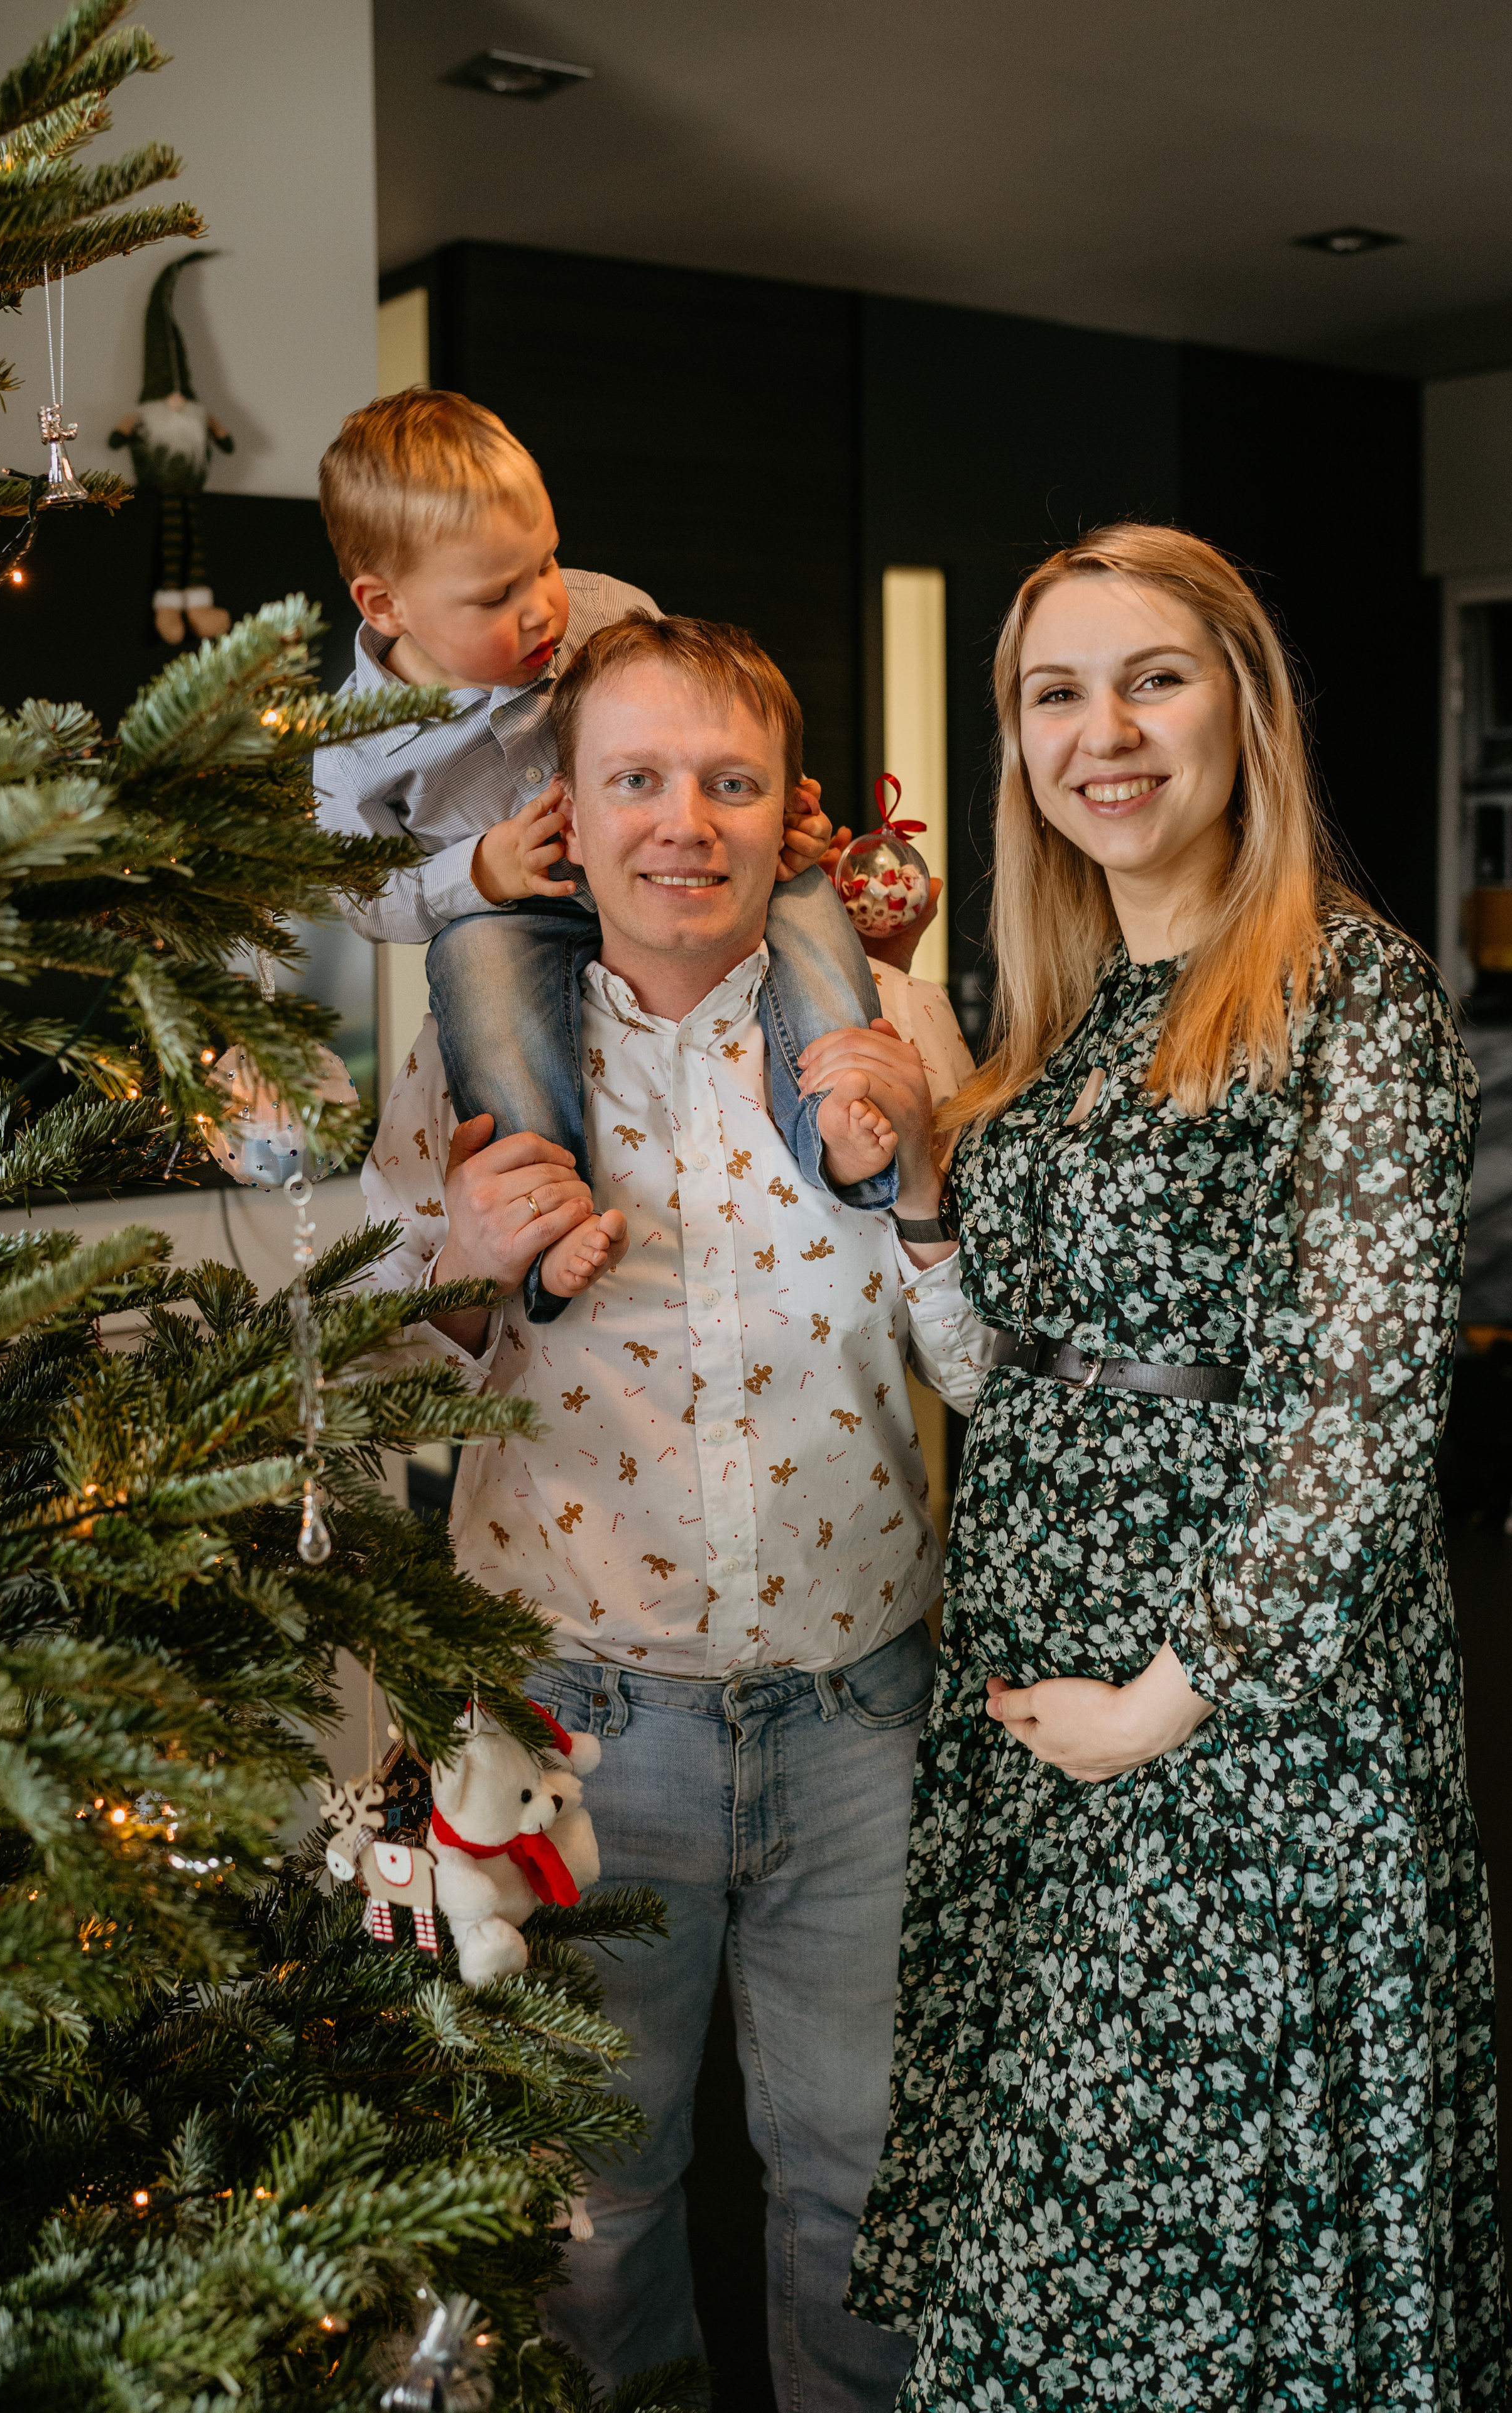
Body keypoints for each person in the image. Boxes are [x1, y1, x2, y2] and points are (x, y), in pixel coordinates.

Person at [848, 523, 1504, 2409]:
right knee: (1058, 2262)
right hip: (1041, 1722)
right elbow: (1006, 1376)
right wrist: (925, 1210)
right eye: (1057, 693)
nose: (1102, 733)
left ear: (1245, 707)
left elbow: (1371, 1408)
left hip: (1244, 1735)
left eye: (1154, 678)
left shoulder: (1347, 998)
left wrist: (1170, 1696)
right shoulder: (1055, 1015)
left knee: (1217, 2256)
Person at [362, 613, 989, 2410]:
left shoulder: (899, 1026)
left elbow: (991, 1371)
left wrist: (929, 1174)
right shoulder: (477, 1050)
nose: (681, 825)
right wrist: (449, 1263)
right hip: (566, 1720)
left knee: (867, 2199)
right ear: (570, 805)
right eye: (636, 780)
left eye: (727, 783)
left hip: (860, 1709)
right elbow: (356, 1366)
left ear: (794, 813)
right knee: (590, 2208)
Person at [314, 387, 892, 1320]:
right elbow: (357, 897)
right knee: (476, 975)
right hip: (517, 911)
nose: (544, 606)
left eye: (544, 560)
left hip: (682, 881)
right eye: (498, 595)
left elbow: (693, 728)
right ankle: (546, 1219)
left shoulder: (603, 611)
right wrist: (478, 875)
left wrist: (772, 807)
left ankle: (835, 1113)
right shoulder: (354, 748)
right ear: (387, 604)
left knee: (803, 897)